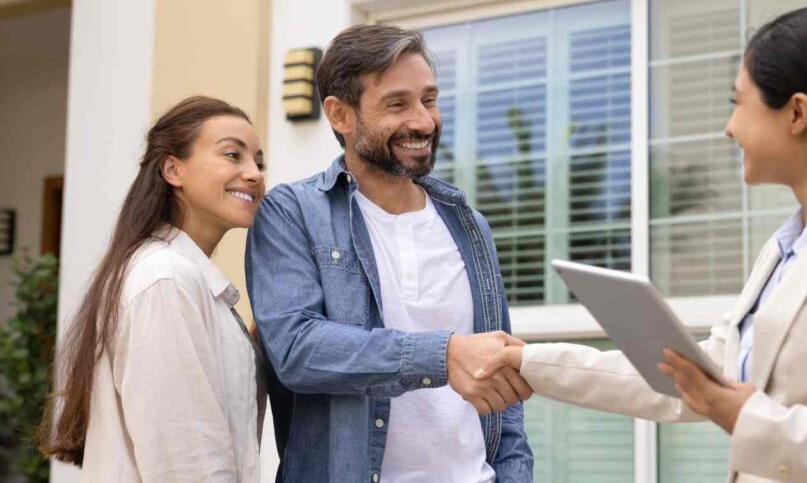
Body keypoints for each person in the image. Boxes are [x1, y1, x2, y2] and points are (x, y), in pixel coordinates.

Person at [478, 6, 807, 482]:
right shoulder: (788, 248)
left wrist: (750, 419)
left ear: (797, 114)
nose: (729, 128)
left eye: (738, 103)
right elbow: (691, 377)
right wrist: (531, 362)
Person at [245, 24, 533, 483]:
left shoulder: (468, 225)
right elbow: (297, 350)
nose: (423, 121)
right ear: (341, 115)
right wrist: (443, 355)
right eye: (397, 104)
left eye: (430, 100)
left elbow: (504, 392)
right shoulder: (292, 213)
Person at [37, 96, 267, 481]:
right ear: (173, 170)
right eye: (233, 155)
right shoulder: (165, 279)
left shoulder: (181, 279)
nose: (255, 174)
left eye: (259, 162)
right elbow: (186, 464)